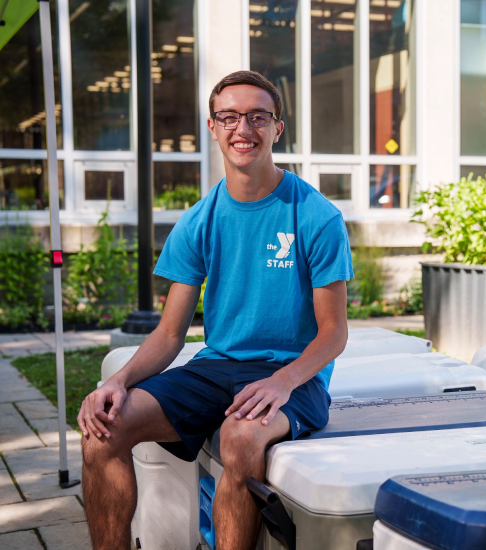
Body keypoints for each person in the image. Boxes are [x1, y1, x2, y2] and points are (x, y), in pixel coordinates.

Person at [78, 70, 353, 550]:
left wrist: (282, 381)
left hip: (293, 377)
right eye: (229, 117)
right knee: (104, 430)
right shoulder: (198, 221)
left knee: (241, 438)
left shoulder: (316, 216)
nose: (242, 129)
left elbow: (333, 334)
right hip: (216, 368)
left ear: (277, 128)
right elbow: (168, 335)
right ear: (212, 127)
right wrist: (115, 383)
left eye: (257, 117)